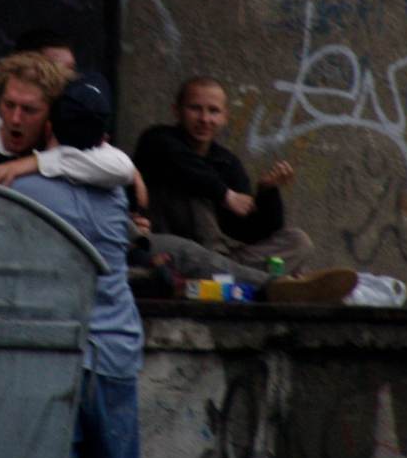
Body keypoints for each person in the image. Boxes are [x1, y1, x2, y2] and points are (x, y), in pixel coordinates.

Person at [11, 75, 143, 458]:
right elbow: (117, 167)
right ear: (104, 137)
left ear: (49, 125)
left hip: (54, 358)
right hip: (115, 356)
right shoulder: (117, 192)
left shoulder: (22, 192)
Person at [133, 76, 357, 302]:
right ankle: (277, 286)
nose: (204, 119)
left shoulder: (226, 162)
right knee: (194, 193)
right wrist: (226, 195)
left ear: (225, 117)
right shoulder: (157, 141)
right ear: (177, 111)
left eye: (213, 111)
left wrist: (267, 193)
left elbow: (253, 231)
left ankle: (235, 279)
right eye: (195, 109)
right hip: (168, 253)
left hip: (221, 260)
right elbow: (186, 167)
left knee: (298, 241)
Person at [0, 51, 135, 189]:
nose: (15, 119)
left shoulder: (66, 144)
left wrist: (36, 163)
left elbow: (122, 168)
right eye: (9, 105)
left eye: (29, 110)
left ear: (51, 115)